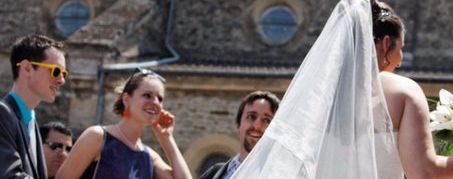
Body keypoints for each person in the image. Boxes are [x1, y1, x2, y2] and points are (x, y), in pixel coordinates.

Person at [230, 0, 453, 179]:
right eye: (401, 48)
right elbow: (424, 173)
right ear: (387, 43)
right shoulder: (404, 92)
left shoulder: (316, 97)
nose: (400, 60)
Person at [55, 68, 192, 179]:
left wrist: (166, 138)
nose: (155, 102)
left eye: (160, 98)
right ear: (126, 99)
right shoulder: (97, 137)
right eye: (147, 95)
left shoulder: (150, 157)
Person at [0, 34, 68, 179]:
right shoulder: (2, 114)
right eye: (55, 71)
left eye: (64, 74)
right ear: (27, 69)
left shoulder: (31, 120)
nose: (61, 80)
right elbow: (9, 176)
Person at [200, 91, 280, 179]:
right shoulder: (213, 174)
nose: (257, 126)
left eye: (267, 121)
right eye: (251, 117)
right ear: (238, 125)